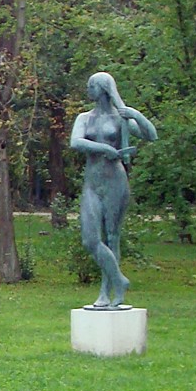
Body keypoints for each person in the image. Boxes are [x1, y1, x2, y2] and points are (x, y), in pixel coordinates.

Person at [70, 72, 158, 309]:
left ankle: (107, 292)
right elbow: (75, 142)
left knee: (112, 237)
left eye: (91, 86)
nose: (88, 90)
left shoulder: (121, 118)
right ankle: (119, 279)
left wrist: (136, 115)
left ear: (103, 89)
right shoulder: (84, 118)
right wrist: (104, 149)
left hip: (115, 181)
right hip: (92, 182)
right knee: (90, 240)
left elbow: (151, 135)